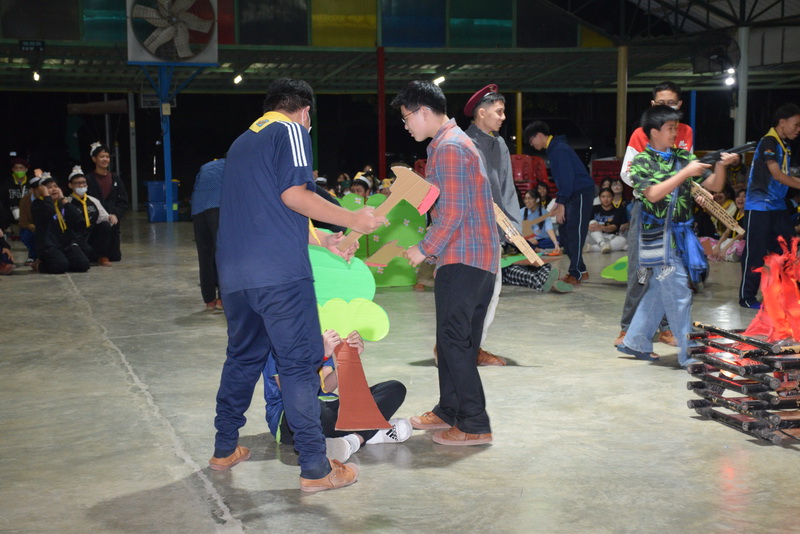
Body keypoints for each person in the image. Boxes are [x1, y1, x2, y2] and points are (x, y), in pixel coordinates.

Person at [209, 78, 385, 493]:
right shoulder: (291, 130)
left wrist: (323, 239)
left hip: (235, 277)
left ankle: (223, 449)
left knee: (242, 360)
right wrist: (353, 219)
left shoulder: (242, 142)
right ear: (305, 111)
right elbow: (294, 194)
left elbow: (270, 208)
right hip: (280, 277)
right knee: (299, 367)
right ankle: (315, 468)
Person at [394, 80, 499, 446]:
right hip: (472, 256)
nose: (406, 125)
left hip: (464, 257)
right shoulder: (448, 144)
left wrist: (424, 249)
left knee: (453, 342)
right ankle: (449, 410)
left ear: (424, 111)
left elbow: (453, 211)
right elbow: (446, 206)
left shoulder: (451, 147)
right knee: (454, 340)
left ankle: (474, 423)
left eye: (407, 117)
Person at [616, 105, 737, 368]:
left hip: (681, 235)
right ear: (654, 132)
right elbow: (652, 194)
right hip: (657, 237)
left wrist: (721, 165)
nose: (675, 133)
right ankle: (688, 353)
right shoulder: (642, 162)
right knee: (680, 290)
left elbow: (714, 185)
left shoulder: (682, 157)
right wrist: (685, 173)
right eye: (670, 128)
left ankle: (635, 340)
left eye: (676, 128)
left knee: (659, 290)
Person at [615, 81, 694, 348]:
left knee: (670, 271)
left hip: (674, 213)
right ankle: (628, 328)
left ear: (679, 104)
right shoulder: (642, 133)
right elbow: (627, 173)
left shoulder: (685, 132)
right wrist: (655, 184)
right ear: (652, 105)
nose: (667, 107)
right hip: (647, 209)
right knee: (640, 270)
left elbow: (685, 170)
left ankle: (667, 328)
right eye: (661, 103)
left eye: (671, 103)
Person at [263, 329, 411, 463]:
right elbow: (294, 392)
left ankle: (354, 440)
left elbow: (327, 387)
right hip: (290, 415)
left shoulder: (321, 336)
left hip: (328, 406)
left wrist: (348, 356)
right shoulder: (278, 345)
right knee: (319, 412)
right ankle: (370, 433)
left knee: (394, 389)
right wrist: (321, 356)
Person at [464, 83, 523, 366]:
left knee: (491, 293)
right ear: (481, 113)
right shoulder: (463, 144)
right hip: (468, 233)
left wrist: (513, 228)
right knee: (467, 294)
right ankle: (454, 346)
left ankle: (474, 347)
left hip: (494, 234)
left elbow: (507, 188)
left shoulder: (499, 145)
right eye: (498, 112)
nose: (503, 117)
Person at [739, 103, 800, 309]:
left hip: (777, 206)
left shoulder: (784, 145)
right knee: (755, 253)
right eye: (796, 124)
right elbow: (777, 175)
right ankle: (747, 297)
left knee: (788, 248)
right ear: (782, 122)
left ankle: (786, 293)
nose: (798, 129)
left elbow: (786, 176)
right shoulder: (769, 141)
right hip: (759, 207)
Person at [524, 121, 595, 285]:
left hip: (580, 193)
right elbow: (563, 181)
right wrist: (559, 202)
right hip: (571, 194)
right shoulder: (554, 149)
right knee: (564, 232)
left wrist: (562, 203)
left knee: (575, 232)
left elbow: (567, 178)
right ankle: (581, 269)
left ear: (539, 135)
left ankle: (575, 273)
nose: (532, 145)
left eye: (531, 140)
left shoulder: (559, 149)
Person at [31, 175, 90, 274]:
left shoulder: (61, 203)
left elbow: (78, 220)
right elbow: (49, 213)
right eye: (49, 187)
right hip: (49, 244)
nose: (54, 189)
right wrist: (46, 196)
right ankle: (38, 265)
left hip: (66, 243)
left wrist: (63, 199)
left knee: (83, 264)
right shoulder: (38, 204)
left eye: (55, 186)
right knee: (60, 266)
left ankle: (62, 260)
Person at [191, 157, 225, 311]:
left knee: (205, 255)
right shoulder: (234, 167)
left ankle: (209, 300)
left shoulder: (207, 166)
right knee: (223, 253)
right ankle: (222, 299)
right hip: (217, 206)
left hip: (198, 209)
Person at [86, 142, 128, 262]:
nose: (105, 159)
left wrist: (116, 214)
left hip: (112, 223)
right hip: (95, 224)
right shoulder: (88, 179)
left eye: (107, 157)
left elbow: (123, 201)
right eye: (101, 156)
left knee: (115, 257)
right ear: (94, 159)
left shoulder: (115, 178)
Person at [65, 166, 113, 266]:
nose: (81, 185)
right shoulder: (67, 202)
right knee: (87, 253)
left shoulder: (93, 200)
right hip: (76, 236)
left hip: (91, 234)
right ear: (70, 185)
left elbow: (104, 217)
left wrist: (111, 217)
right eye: (77, 183)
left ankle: (102, 257)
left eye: (83, 182)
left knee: (105, 225)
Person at [1, 157, 35, 263]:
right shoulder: (7, 183)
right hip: (11, 215)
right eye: (16, 168)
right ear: (12, 169)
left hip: (28, 214)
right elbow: (3, 201)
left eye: (21, 168)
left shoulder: (31, 183)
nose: (18, 170)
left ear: (26, 169)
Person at [585, 188, 627, 253]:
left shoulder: (618, 210)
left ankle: (592, 248)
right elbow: (585, 223)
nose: (606, 199)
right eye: (603, 197)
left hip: (609, 236)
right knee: (592, 222)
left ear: (612, 198)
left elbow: (614, 227)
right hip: (594, 235)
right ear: (599, 198)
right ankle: (602, 244)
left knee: (623, 241)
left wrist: (601, 227)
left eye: (608, 196)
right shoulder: (594, 208)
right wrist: (588, 227)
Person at [711, 188, 746, 262]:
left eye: (744, 197)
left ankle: (724, 254)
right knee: (704, 242)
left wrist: (725, 248)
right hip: (729, 242)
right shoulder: (735, 214)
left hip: (738, 243)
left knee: (739, 246)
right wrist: (717, 246)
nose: (740, 199)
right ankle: (723, 255)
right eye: (738, 196)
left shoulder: (749, 216)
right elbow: (726, 233)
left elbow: (740, 236)